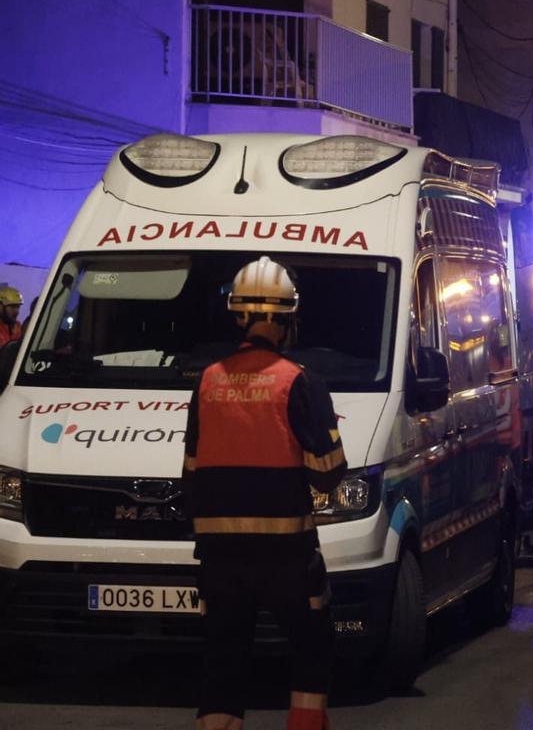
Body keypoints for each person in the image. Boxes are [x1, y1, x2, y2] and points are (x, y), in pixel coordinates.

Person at [182, 256, 347, 730]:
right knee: (312, 646)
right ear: (288, 320)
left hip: (219, 555)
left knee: (223, 660)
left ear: (239, 316)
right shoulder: (299, 382)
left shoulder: (208, 380)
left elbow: (190, 472)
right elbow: (328, 472)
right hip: (286, 555)